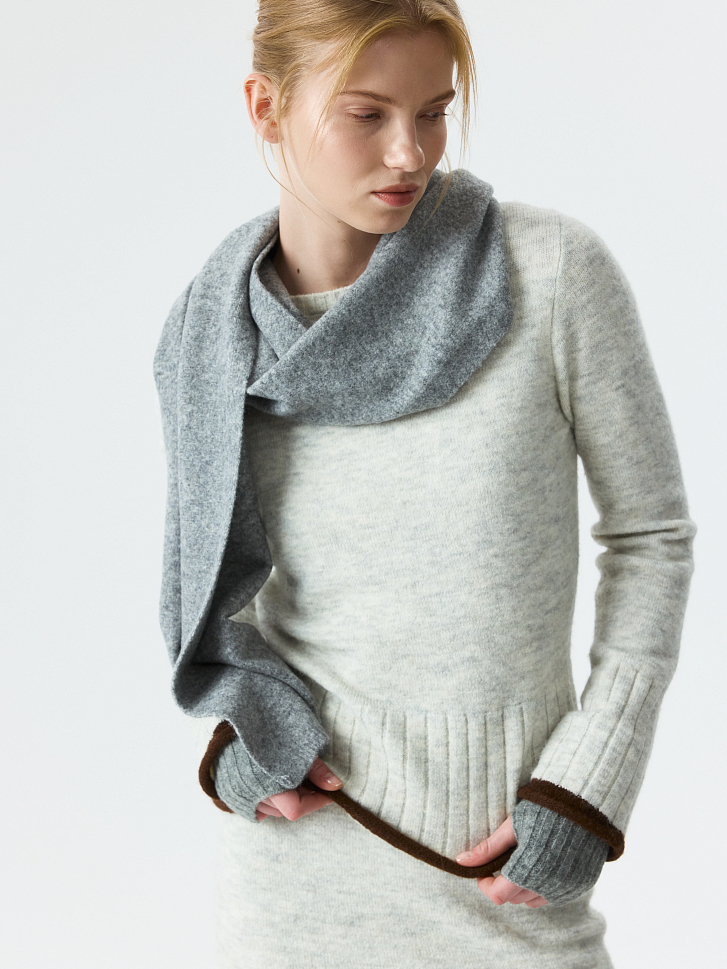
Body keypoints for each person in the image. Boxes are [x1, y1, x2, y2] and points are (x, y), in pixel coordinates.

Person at [152, 2, 695, 966]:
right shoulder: (211, 334)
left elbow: (649, 535)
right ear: (264, 107)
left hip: (508, 876)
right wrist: (247, 727)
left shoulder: (548, 273)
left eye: (433, 113)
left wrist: (591, 777)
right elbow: (217, 585)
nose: (409, 153)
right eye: (366, 115)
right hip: (290, 894)